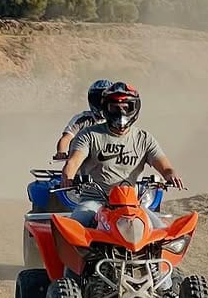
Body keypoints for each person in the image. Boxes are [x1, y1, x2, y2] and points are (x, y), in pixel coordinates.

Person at [60, 82, 184, 225]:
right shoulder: (89, 135)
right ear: (106, 108)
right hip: (94, 202)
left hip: (132, 203)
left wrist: (170, 175)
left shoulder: (144, 138)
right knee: (74, 228)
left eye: (126, 107)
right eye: (114, 108)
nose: (121, 113)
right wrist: (68, 177)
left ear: (135, 108)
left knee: (161, 232)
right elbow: (74, 161)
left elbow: (165, 166)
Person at [54, 78, 112, 159]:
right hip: (80, 163)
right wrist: (61, 152)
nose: (101, 104)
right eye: (97, 100)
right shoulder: (82, 119)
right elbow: (66, 137)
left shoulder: (117, 121)